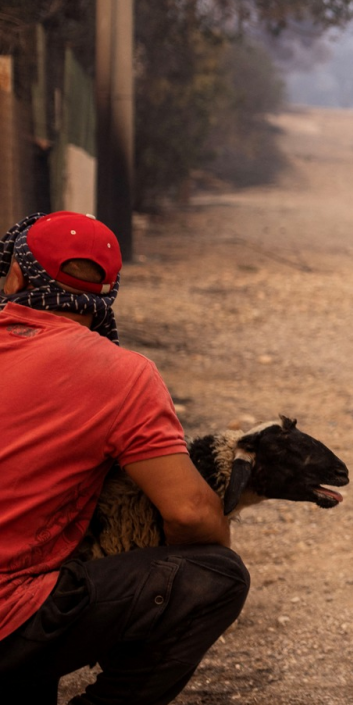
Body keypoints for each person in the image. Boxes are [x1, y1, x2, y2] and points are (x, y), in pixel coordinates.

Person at [0, 212, 250, 705]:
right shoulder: (121, 374)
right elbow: (191, 513)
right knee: (218, 575)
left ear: (15, 276)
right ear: (106, 292)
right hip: (11, 619)